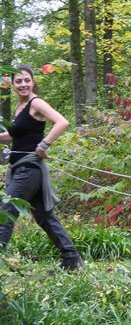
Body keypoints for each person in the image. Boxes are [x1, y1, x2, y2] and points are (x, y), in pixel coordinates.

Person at [0, 65, 83, 270]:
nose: (23, 84)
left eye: (26, 80)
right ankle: (71, 260)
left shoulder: (36, 102)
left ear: (33, 81)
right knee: (45, 216)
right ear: (12, 84)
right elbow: (13, 136)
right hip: (20, 167)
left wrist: (44, 144)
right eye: (18, 81)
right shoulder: (20, 108)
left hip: (29, 169)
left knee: (7, 210)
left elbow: (61, 122)